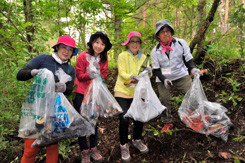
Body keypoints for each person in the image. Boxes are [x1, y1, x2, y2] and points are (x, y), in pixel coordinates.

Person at [16, 35, 79, 163]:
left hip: (54, 112)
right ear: (57, 47)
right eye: (63, 47)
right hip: (36, 110)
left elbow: (69, 89)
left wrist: (64, 87)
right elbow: (20, 75)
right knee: (30, 148)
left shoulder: (70, 69)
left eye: (70, 49)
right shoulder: (43, 59)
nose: (66, 51)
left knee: (52, 146)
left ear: (73, 53)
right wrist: (33, 72)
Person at [151, 19, 201, 132]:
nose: (165, 33)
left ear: (171, 32)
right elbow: (156, 69)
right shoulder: (155, 51)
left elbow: (188, 60)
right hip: (163, 78)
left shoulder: (180, 43)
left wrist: (192, 69)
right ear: (158, 35)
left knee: (192, 94)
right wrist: (164, 80)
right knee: (164, 99)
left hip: (181, 74)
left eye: (167, 30)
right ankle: (167, 122)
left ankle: (194, 118)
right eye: (162, 31)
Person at [73, 31, 112, 163]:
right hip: (81, 93)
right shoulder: (83, 56)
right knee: (82, 121)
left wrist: (99, 74)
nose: (99, 46)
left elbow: (104, 74)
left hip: (95, 94)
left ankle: (94, 148)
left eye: (102, 44)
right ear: (92, 43)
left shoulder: (104, 59)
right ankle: (84, 151)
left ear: (105, 47)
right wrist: (89, 75)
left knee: (93, 121)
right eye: (97, 42)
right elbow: (79, 74)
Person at [114, 31, 152, 162]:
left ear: (140, 44)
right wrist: (131, 76)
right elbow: (122, 72)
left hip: (138, 92)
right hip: (122, 92)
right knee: (124, 119)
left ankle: (137, 140)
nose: (135, 44)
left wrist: (149, 72)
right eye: (132, 41)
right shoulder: (122, 55)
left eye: (137, 41)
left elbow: (147, 73)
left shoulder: (144, 57)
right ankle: (124, 145)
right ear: (128, 43)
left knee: (139, 117)